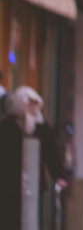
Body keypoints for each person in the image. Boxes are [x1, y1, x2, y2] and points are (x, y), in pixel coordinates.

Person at [0, 86, 68, 230]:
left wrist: (58, 175)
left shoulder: (42, 128)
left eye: (35, 104)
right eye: (30, 104)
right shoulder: (7, 127)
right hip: (9, 184)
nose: (33, 108)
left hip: (34, 182)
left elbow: (51, 153)